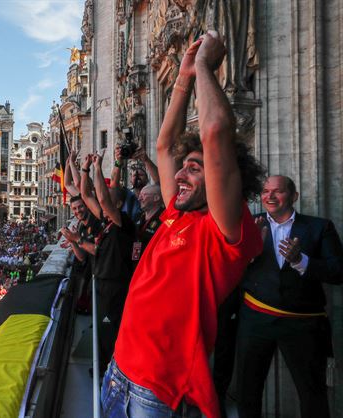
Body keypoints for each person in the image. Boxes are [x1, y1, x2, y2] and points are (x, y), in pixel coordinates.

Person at [101, 31, 266, 418]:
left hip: (155, 394)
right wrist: (182, 79)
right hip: (117, 372)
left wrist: (207, 68)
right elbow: (163, 144)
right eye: (184, 167)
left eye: (196, 168)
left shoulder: (225, 234)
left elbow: (216, 133)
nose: (180, 175)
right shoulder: (177, 212)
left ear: (222, 179)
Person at [236, 175, 343, 418]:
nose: (270, 196)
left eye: (278, 191)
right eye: (265, 191)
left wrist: (300, 260)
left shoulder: (319, 227)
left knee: (312, 393)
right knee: (248, 391)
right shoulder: (251, 225)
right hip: (256, 322)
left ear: (293, 196)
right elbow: (227, 271)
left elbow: (338, 272)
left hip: (303, 323)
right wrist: (247, 252)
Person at [80, 152, 136, 371]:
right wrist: (85, 168)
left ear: (119, 203)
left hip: (116, 285)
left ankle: (113, 368)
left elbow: (101, 198)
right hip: (102, 281)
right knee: (101, 327)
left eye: (110, 198)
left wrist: (97, 168)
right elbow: (85, 194)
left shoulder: (125, 223)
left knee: (111, 328)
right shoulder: (106, 220)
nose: (103, 201)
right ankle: (103, 364)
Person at [131, 184, 164, 268]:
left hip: (152, 266)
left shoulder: (164, 219)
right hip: (136, 264)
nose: (139, 198)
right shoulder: (139, 217)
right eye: (140, 195)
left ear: (156, 198)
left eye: (144, 195)